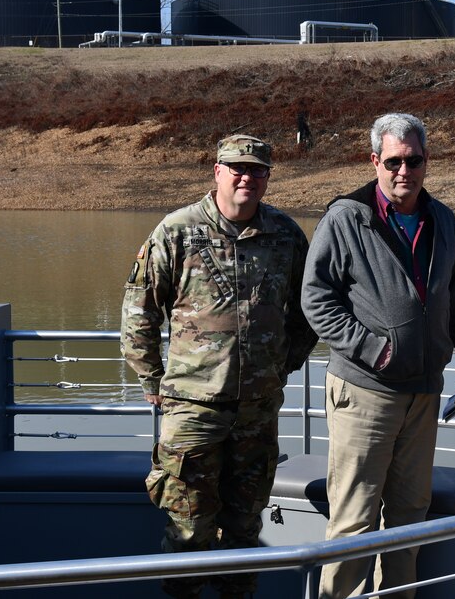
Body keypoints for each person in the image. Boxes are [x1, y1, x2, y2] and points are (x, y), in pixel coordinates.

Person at [300, 112, 455, 599]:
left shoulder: (442, 219)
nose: (404, 170)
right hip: (365, 392)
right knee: (355, 522)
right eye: (393, 161)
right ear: (374, 162)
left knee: (409, 518)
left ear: (427, 161)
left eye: (414, 160)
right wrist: (373, 349)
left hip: (424, 393)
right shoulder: (347, 218)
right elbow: (315, 298)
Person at [121, 134, 318, 599]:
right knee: (188, 530)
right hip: (193, 409)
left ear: (269, 176)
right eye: (237, 168)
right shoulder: (177, 230)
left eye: (257, 170)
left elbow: (310, 309)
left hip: (257, 411)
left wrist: (282, 364)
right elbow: (139, 311)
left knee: (246, 528)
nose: (246, 177)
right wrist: (152, 379)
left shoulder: (286, 235)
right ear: (217, 171)